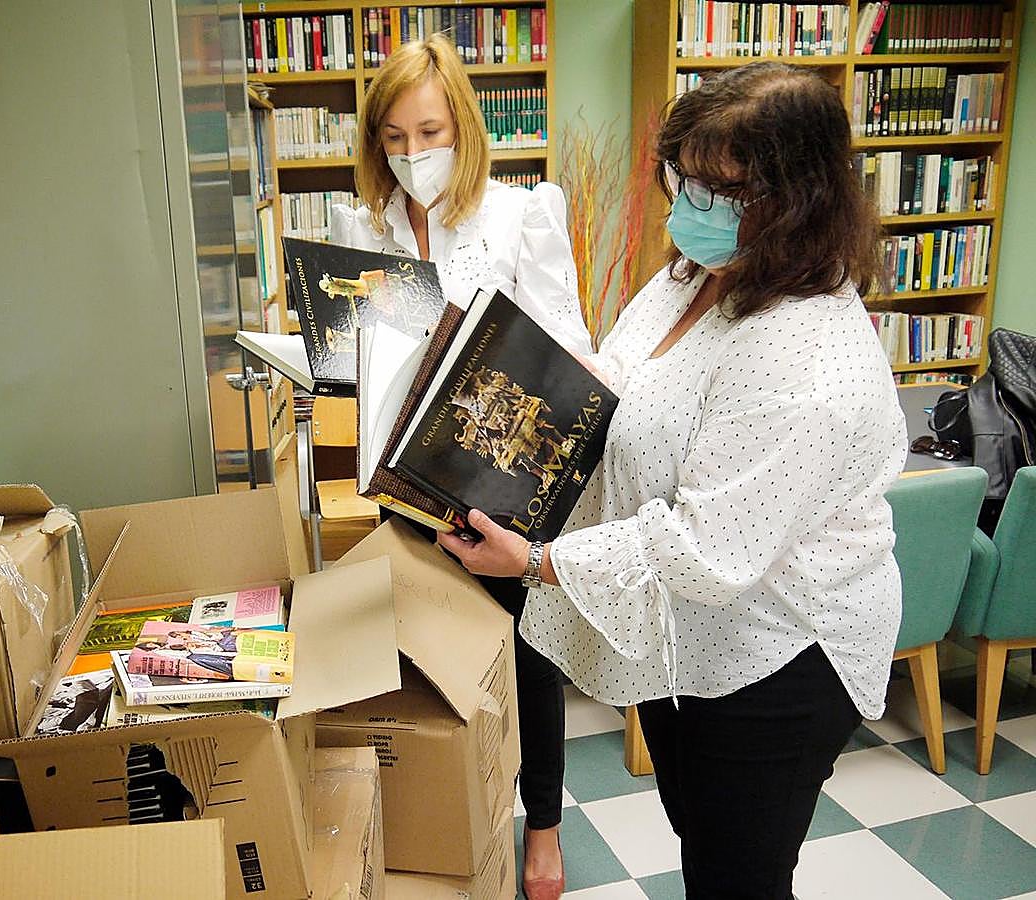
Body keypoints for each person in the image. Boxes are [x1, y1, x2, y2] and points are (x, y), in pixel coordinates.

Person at [438, 62, 907, 899]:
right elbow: (629, 375)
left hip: (780, 648)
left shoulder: (803, 356)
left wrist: (538, 561)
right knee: (701, 826)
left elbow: (705, 550)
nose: (689, 203)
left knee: (737, 874)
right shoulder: (700, 272)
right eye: (682, 177)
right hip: (688, 629)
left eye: (719, 189)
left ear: (797, 201)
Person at [329, 33, 592, 899]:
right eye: (394, 138)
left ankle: (542, 827)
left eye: (430, 133)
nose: (413, 155)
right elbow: (352, 355)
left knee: (525, 654)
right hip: (403, 479)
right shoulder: (361, 225)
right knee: (425, 649)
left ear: (464, 129)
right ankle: (450, 812)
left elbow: (566, 347)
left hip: (496, 482)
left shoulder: (520, 214)